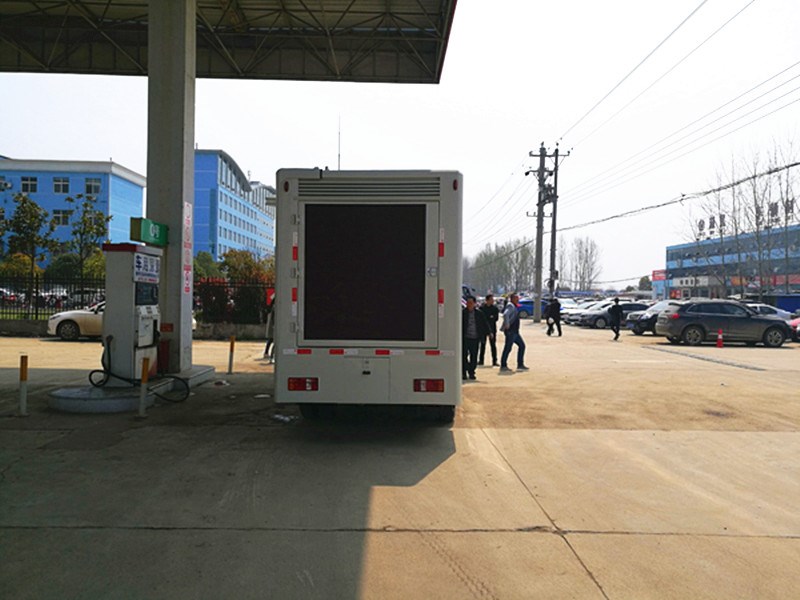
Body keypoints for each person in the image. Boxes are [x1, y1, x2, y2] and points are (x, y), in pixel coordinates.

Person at [462, 296, 490, 380]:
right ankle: (464, 372)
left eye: (471, 303)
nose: (469, 304)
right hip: (465, 338)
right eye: (468, 303)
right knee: (463, 356)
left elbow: (485, 323)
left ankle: (471, 372)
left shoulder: (479, 313)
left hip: (475, 338)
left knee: (474, 356)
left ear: (474, 303)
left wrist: (489, 332)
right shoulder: (462, 313)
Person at [499, 292, 528, 372]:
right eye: (516, 298)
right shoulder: (510, 306)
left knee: (522, 346)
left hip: (515, 331)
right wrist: (507, 324)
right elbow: (505, 314)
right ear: (512, 299)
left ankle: (520, 364)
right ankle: (503, 365)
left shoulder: (514, 306)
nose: (517, 300)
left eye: (518, 298)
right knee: (508, 348)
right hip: (511, 331)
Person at [478, 294, 500, 366]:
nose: (492, 301)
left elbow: (496, 318)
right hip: (483, 329)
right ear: (487, 300)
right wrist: (490, 317)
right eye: (491, 299)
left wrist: (490, 318)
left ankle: (494, 361)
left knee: (493, 345)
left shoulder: (495, 308)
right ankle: (481, 360)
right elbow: (481, 319)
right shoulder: (482, 308)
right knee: (482, 345)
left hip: (492, 328)